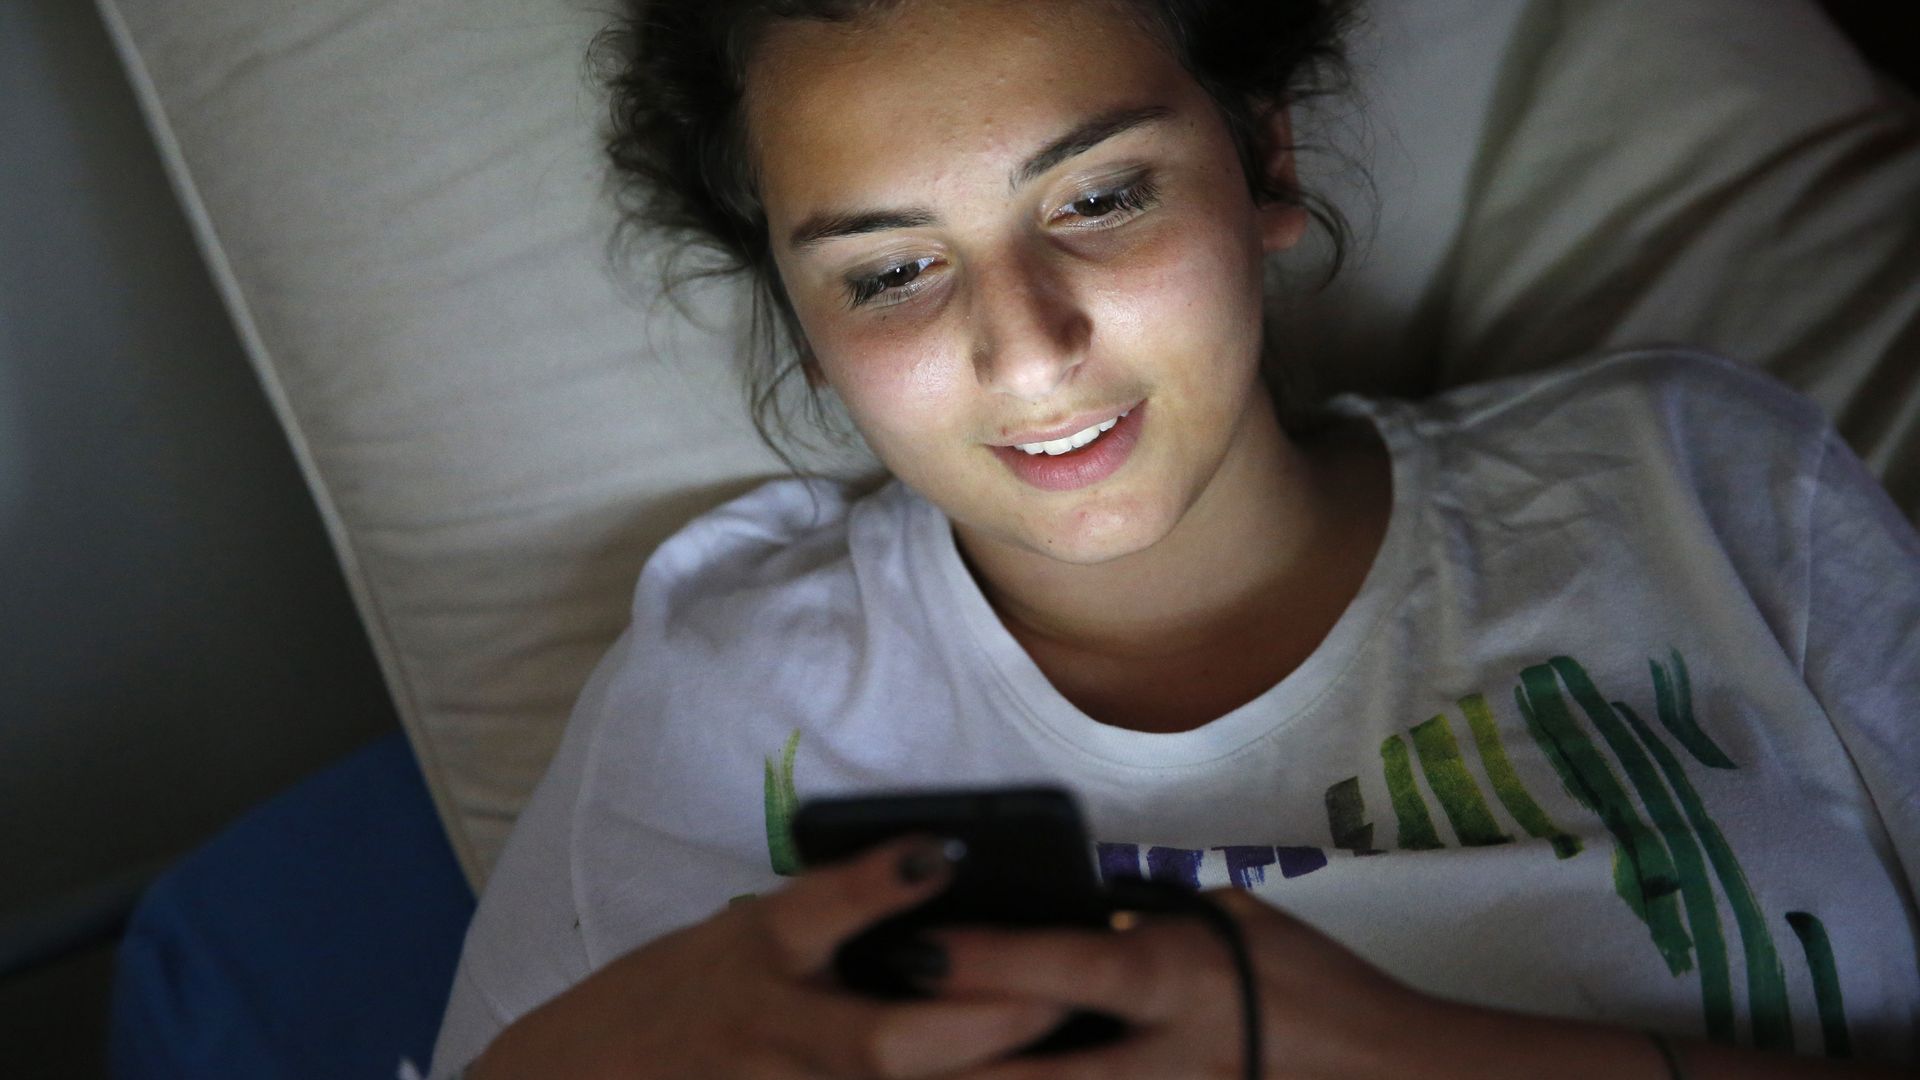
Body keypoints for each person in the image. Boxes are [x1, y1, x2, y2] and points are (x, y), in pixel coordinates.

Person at [431, 0, 1920, 1076]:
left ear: (1265, 168)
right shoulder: (722, 684)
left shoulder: (1693, 484)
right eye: (890, 274)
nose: (1026, 350)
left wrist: (1384, 1051)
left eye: (1100, 197)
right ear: (810, 335)